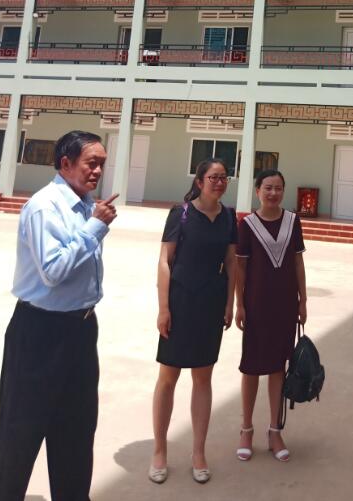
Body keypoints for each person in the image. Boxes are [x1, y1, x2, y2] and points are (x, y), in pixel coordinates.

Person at [0, 130, 118, 501]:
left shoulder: (86, 204)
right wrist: (96, 227)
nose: (98, 171)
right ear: (65, 163)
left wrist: (93, 222)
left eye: (102, 164)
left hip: (81, 329)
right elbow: (53, 270)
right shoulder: (45, 206)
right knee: (21, 430)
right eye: (91, 163)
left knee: (77, 429)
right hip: (40, 332)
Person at [149, 157, 237, 484]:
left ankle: (198, 451)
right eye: (213, 177)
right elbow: (165, 260)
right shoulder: (181, 214)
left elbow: (231, 263)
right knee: (168, 376)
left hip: (210, 303)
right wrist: (164, 308)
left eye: (224, 177)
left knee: (203, 377)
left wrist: (230, 302)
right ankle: (159, 450)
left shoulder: (229, 217)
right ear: (199, 181)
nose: (219, 182)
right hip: (181, 301)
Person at [235, 169, 306, 462]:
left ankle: (275, 431)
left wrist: (303, 300)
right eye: (268, 187)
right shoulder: (247, 225)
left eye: (278, 188)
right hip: (256, 304)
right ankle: (246, 429)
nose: (273, 193)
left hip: (285, 304)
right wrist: (240, 304)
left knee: (278, 366)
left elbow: (298, 261)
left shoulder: (292, 221)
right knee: (251, 367)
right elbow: (240, 268)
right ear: (257, 191)